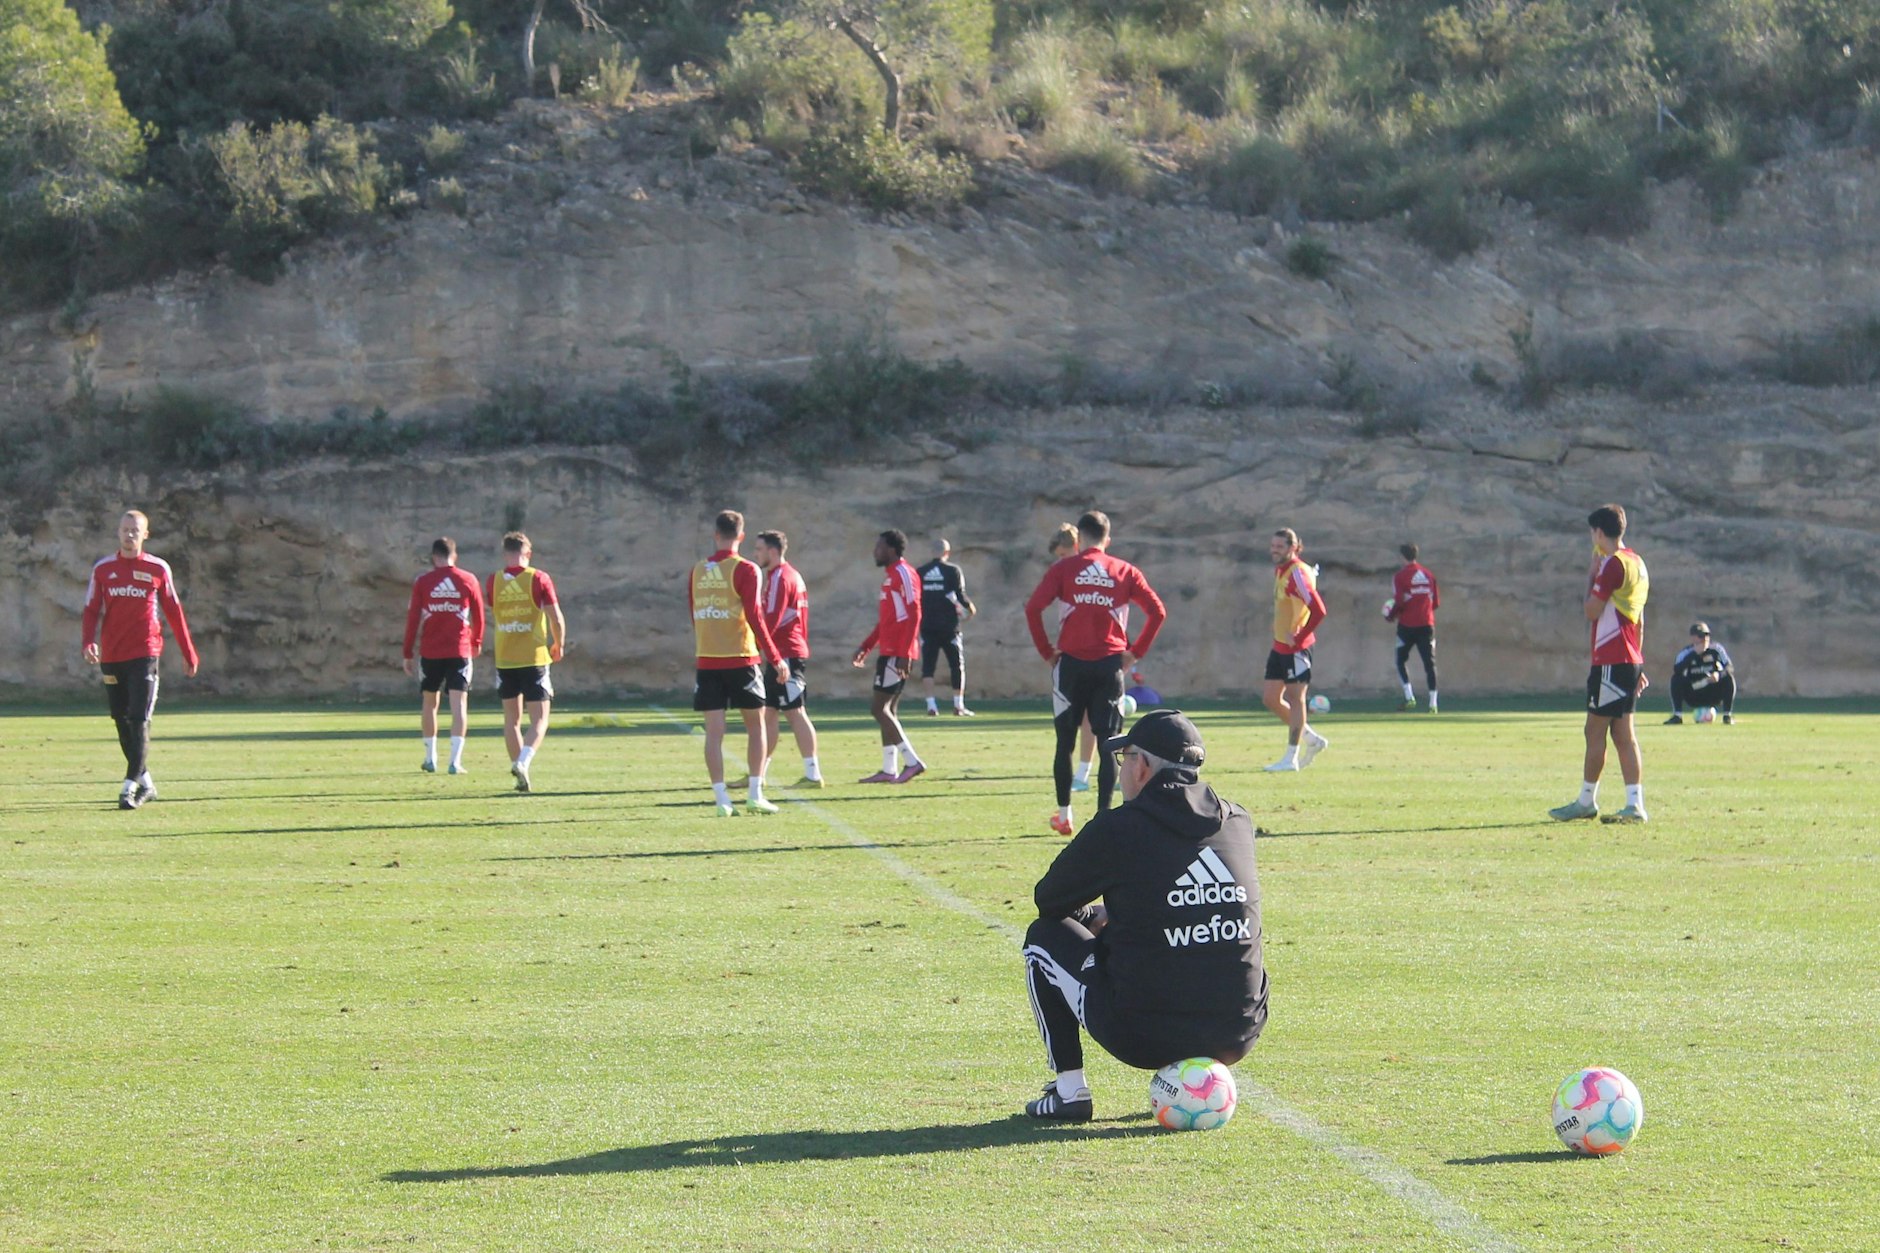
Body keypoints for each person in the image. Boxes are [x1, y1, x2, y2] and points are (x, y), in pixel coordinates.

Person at [1020, 709, 1267, 1121]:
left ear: (1144, 766)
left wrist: (1091, 916)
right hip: (1239, 1033)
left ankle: (1069, 1092)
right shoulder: (1237, 820)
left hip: (1144, 1036)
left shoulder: (1119, 827)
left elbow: (1050, 901)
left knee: (1042, 936)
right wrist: (1111, 916)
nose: (1121, 771)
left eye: (1125, 758)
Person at [1025, 510, 1168, 833]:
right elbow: (1157, 611)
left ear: (1080, 537)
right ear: (1107, 539)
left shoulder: (1063, 568)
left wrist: (1047, 652)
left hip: (1070, 666)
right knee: (1109, 743)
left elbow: (1033, 608)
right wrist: (1135, 653)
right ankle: (1103, 819)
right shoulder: (1125, 570)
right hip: (1109, 666)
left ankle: (1064, 815)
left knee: (1065, 743)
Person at [80, 509, 200, 809]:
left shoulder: (158, 568)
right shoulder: (103, 569)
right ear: (118, 533)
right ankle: (146, 783)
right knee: (121, 721)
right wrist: (88, 641)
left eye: (135, 530)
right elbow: (91, 609)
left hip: (145, 654)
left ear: (145, 534)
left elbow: (174, 611)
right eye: (125, 529)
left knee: (139, 718)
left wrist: (188, 652)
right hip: (112, 654)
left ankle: (128, 787)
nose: (129, 534)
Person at [1551, 504, 1650, 824]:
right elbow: (1640, 618)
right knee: (1624, 734)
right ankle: (1634, 804)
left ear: (1598, 532)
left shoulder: (1611, 566)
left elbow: (1592, 611)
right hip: (1628, 657)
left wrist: (1591, 575)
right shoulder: (1638, 563)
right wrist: (1639, 662)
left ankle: (1586, 801)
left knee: (1594, 730)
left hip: (1610, 658)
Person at [691, 511, 791, 815]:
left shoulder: (697, 570)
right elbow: (756, 618)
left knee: (714, 733)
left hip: (707, 660)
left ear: (715, 533)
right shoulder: (747, 569)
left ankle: (721, 799)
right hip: (741, 658)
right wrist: (775, 658)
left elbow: (694, 614)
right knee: (756, 727)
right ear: (742, 536)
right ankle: (754, 794)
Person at [487, 532, 565, 794]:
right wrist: (558, 643)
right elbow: (555, 617)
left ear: (504, 553)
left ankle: (519, 769)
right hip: (533, 658)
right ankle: (523, 762)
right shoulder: (538, 578)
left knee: (511, 720)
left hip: (505, 659)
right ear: (528, 553)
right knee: (540, 719)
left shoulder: (493, 581)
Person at [401, 536, 485, 775]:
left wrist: (407, 652)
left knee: (430, 703)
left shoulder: (423, 582)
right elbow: (479, 616)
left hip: (430, 652)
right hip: (459, 650)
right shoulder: (468, 579)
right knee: (459, 704)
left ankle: (430, 758)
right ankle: (455, 762)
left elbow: (413, 619)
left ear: (433, 556)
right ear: (454, 555)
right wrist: (476, 642)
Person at [851, 529, 926, 784]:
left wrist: (905, 651)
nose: (875, 551)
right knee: (889, 709)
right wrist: (867, 645)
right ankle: (888, 768)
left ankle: (913, 761)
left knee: (878, 708)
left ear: (892, 549)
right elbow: (887, 621)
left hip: (898, 652)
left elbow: (915, 612)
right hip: (890, 650)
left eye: (879, 546)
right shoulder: (890, 577)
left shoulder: (904, 573)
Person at [754, 528, 823, 790]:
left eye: (759, 549)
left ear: (772, 551)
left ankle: (813, 774)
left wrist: (752, 643)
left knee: (795, 712)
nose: (756, 554)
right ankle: (758, 774)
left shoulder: (781, 578)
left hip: (787, 654)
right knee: (769, 714)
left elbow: (770, 620)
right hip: (780, 654)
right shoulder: (785, 575)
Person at [1261, 528, 1330, 772]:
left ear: (1293, 547)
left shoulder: (1298, 573)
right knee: (1270, 698)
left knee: (1296, 699)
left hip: (1296, 649)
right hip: (1279, 646)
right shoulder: (1281, 570)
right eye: (1272, 546)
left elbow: (1319, 609)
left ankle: (1291, 757)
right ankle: (1311, 738)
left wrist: (1299, 635)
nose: (1274, 550)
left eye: (1279, 546)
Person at [1047, 523, 1100, 794]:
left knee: (1092, 717)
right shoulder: (1065, 574)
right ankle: (1086, 770)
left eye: (1063, 555)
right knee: (1083, 718)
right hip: (1075, 652)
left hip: (1099, 653)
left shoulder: (1089, 571)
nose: (1060, 563)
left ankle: (1084, 772)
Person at [917, 537, 978, 717]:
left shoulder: (920, 572)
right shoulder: (953, 571)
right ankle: (958, 706)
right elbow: (960, 595)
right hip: (949, 627)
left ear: (931, 552)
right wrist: (970, 610)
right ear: (947, 553)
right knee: (956, 666)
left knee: (928, 667)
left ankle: (931, 706)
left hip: (927, 626)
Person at [1384, 542, 1439, 713]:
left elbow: (1399, 600)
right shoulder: (1429, 575)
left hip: (1407, 626)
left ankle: (1409, 697)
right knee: (1429, 664)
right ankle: (1433, 704)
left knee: (1400, 660)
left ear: (1402, 557)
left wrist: (1391, 615)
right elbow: (1435, 602)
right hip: (1427, 625)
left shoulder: (1400, 577)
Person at [1666, 622, 1737, 725]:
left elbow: (1729, 667)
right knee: (1676, 679)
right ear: (1693, 638)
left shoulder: (1716, 649)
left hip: (1712, 691)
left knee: (1729, 678)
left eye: (1706, 635)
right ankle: (1677, 715)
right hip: (1694, 692)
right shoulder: (1686, 652)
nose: (1705, 639)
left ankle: (1727, 715)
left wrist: (1719, 674)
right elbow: (1677, 670)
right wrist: (1694, 655)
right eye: (1701, 636)